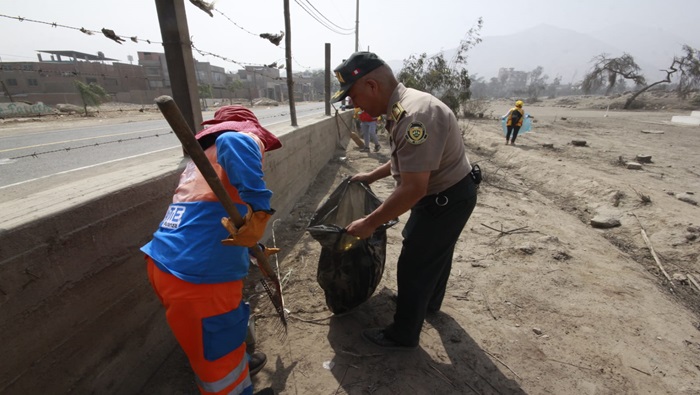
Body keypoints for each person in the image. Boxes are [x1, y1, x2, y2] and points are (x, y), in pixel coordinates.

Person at [331, 51, 478, 350]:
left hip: (445, 199)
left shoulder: (415, 115)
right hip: (448, 194)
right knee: (437, 253)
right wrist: (373, 175)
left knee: (414, 264)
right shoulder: (402, 107)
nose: (353, 104)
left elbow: (413, 188)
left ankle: (403, 333)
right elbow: (408, 159)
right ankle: (430, 303)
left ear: (372, 86)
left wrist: (369, 223)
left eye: (354, 95)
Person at [141, 105, 280, 395]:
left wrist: (252, 247)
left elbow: (211, 217)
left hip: (165, 262)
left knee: (210, 339)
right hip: (200, 277)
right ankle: (233, 383)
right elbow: (235, 142)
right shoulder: (238, 138)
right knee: (218, 367)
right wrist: (261, 209)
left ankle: (238, 360)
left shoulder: (204, 159)